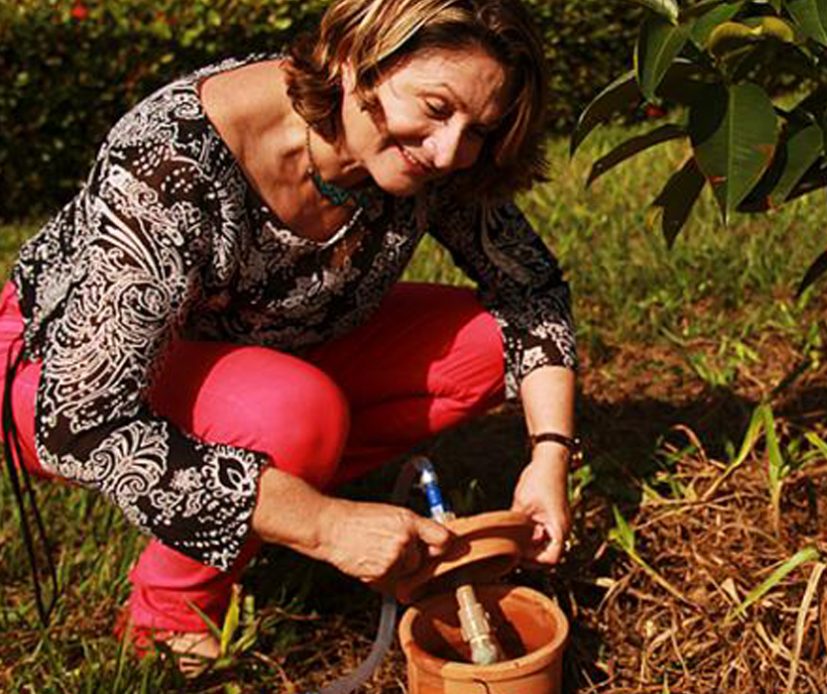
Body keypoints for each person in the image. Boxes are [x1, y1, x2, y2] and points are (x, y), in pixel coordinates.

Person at [1, 0, 577, 665]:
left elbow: (530, 288)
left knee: (491, 346)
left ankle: (277, 476)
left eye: (479, 129)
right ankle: (168, 610)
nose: (451, 152)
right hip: (55, 372)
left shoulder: (428, 153)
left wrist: (549, 455)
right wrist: (324, 526)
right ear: (354, 59)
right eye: (439, 108)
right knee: (293, 413)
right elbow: (81, 419)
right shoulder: (170, 162)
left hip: (267, 345)